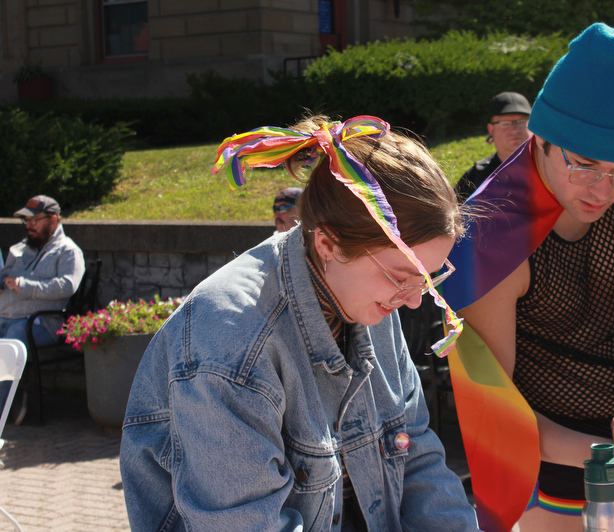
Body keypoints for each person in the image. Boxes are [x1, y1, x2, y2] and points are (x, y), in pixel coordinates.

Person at [120, 116, 478, 531]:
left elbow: (415, 456)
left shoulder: (369, 293)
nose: (415, 300)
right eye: (402, 276)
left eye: (429, 278)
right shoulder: (231, 342)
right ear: (328, 243)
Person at [453, 24, 614, 531]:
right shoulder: (492, 229)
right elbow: (497, 407)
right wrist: (608, 454)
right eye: (585, 164)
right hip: (540, 473)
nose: (604, 189)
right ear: (540, 137)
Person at [0, 195, 85, 353]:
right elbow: (5, 275)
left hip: (38, 322)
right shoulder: (20, 248)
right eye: (26, 220)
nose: (29, 226)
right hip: (5, 316)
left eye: (34, 221)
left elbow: (67, 286)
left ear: (53, 220)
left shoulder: (68, 251)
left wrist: (24, 286)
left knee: (7, 349)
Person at [455, 91, 532, 200]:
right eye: (506, 123)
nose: (515, 130)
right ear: (491, 129)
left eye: (522, 122)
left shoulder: (551, 169)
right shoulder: (475, 177)